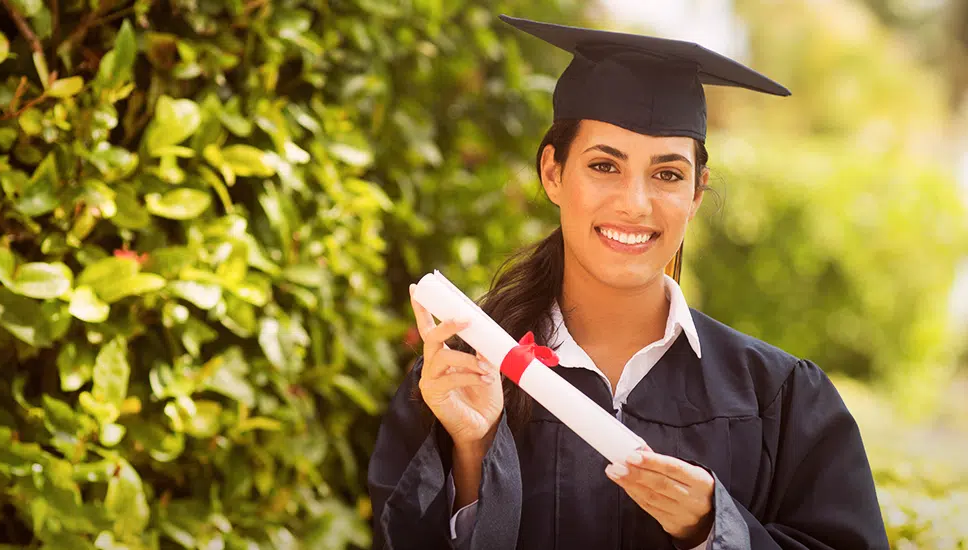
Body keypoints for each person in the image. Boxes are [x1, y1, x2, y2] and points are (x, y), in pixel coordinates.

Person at [367, 14, 890, 550]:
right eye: (604, 166)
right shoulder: (467, 372)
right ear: (553, 173)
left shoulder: (779, 398)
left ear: (696, 193)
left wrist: (715, 530)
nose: (635, 204)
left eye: (667, 174)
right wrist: (473, 455)